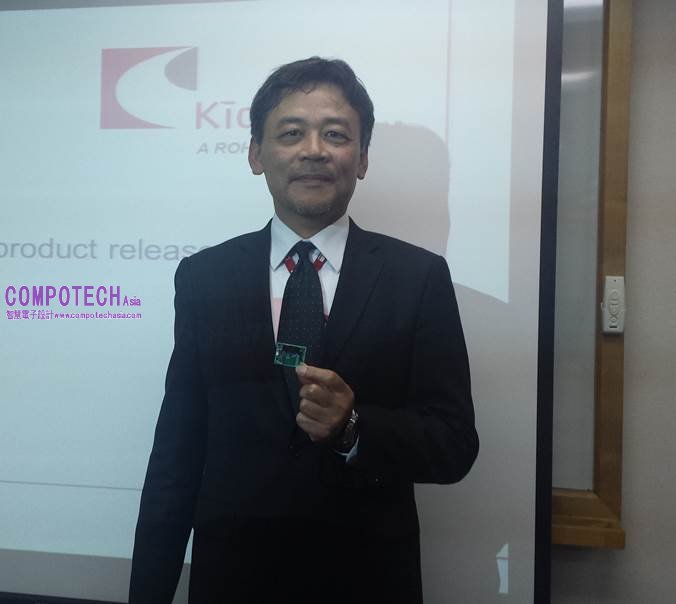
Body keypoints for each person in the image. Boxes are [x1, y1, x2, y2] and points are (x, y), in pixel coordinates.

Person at [129, 57, 478, 604]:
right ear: (255, 154)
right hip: (233, 580)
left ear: (362, 158)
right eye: (291, 133)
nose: (314, 150)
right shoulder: (204, 277)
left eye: (335, 134)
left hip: (366, 580)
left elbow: (454, 446)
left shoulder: (418, 278)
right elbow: (177, 451)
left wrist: (355, 427)